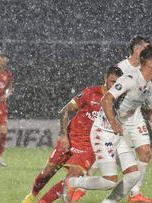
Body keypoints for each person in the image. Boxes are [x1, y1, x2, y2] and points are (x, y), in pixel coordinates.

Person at [63, 45, 152, 203]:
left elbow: (151, 112)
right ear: (150, 63)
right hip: (103, 132)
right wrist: (113, 123)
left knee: (133, 175)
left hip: (118, 134)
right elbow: (106, 99)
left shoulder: (148, 87)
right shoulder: (130, 79)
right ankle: (73, 183)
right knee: (109, 181)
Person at [21, 66, 124, 203]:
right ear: (105, 79)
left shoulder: (119, 102)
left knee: (71, 179)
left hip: (88, 146)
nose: (114, 86)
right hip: (70, 138)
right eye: (112, 81)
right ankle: (32, 195)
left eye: (117, 83)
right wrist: (64, 136)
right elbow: (64, 111)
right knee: (46, 173)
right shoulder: (90, 93)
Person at [116, 35, 152, 202]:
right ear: (138, 49)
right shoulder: (120, 68)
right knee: (110, 160)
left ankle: (135, 194)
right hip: (118, 120)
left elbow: (147, 97)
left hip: (136, 119)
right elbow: (109, 95)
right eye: (147, 49)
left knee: (145, 153)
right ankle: (78, 187)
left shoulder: (145, 70)